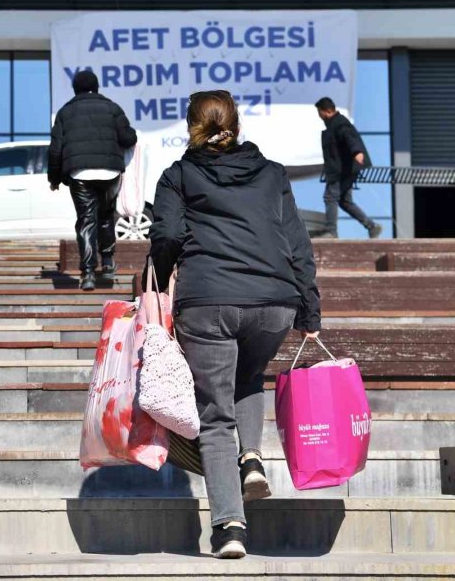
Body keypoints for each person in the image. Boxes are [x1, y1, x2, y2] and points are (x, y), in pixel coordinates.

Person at [147, 90, 321, 559]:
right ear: (237, 125)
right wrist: (310, 311)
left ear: (191, 127)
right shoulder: (272, 174)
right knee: (248, 377)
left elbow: (164, 235)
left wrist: (160, 286)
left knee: (215, 415)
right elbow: (298, 244)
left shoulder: (178, 175)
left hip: (208, 302)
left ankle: (229, 527)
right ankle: (253, 459)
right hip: (273, 303)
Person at [48, 70, 137, 291]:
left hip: (80, 174)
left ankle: (87, 273)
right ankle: (107, 261)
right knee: (106, 216)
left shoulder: (65, 112)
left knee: (86, 221)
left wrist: (54, 178)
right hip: (110, 172)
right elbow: (128, 138)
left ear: (75, 89)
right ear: (97, 87)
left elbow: (55, 149)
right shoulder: (112, 108)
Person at [315, 97, 381, 239]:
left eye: (319, 112)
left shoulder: (339, 123)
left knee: (330, 197)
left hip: (342, 170)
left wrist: (356, 152)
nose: (318, 115)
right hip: (345, 169)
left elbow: (349, 137)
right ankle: (372, 226)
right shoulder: (334, 124)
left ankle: (331, 231)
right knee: (345, 201)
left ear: (326, 111)